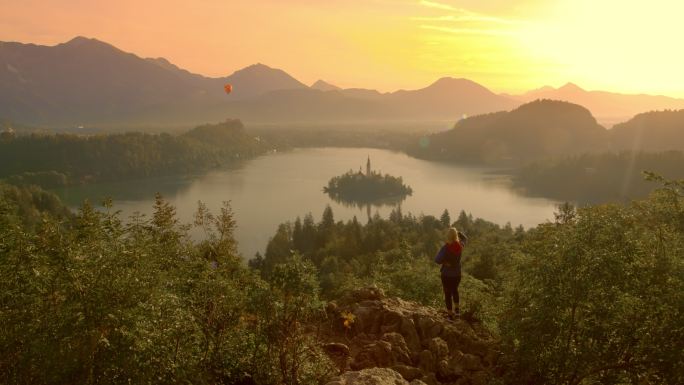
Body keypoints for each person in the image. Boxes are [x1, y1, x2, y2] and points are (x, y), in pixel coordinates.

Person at [434, 227, 466, 319]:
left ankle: (450, 316)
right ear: (456, 236)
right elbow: (464, 238)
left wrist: (444, 262)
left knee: (447, 294)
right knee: (455, 290)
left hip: (446, 274)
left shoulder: (445, 248)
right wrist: (456, 232)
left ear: (448, 236)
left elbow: (437, 260)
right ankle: (457, 312)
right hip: (457, 274)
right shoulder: (460, 245)